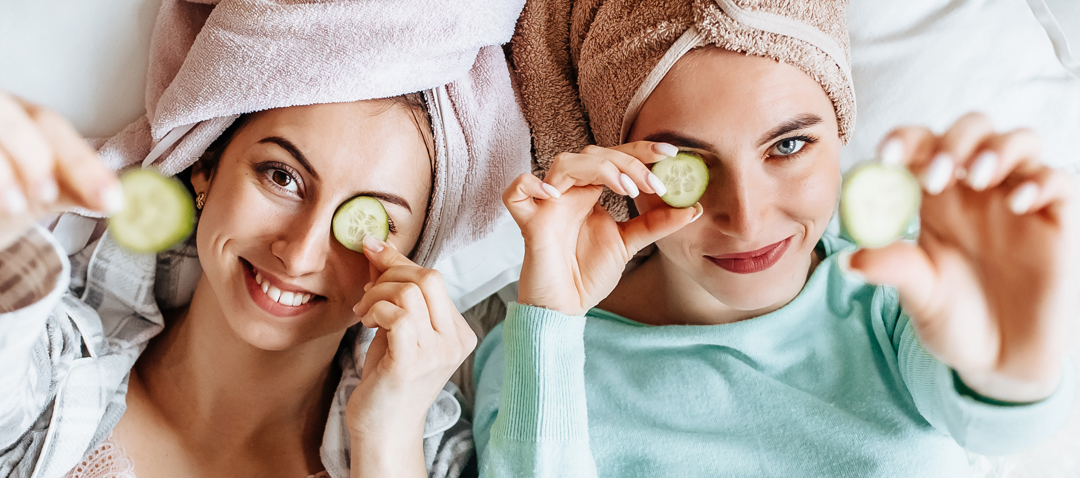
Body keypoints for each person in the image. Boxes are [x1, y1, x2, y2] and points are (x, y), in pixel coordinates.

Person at [473, 0, 1077, 476]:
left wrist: (1015, 377)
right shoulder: (540, 351)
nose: (747, 218)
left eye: (788, 145)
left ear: (842, 135)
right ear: (624, 173)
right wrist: (551, 319)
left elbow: (991, 423)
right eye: (687, 164)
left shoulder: (899, 298)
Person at [0, 0, 530, 477]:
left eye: (368, 225)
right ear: (207, 164)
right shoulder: (43, 366)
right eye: (282, 177)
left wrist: (385, 445)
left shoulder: (439, 462)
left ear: (413, 259)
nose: (299, 254)